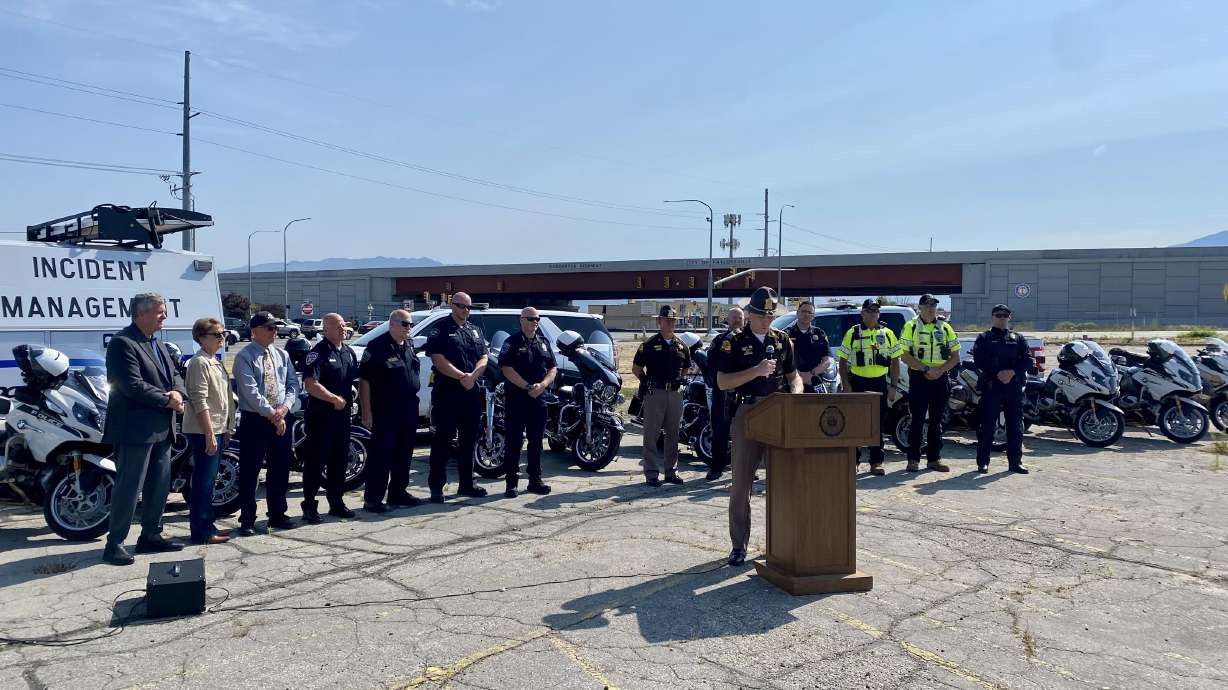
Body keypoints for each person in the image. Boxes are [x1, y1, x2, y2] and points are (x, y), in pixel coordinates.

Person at [100, 293, 188, 565]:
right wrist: (168, 399)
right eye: (160, 312)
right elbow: (131, 385)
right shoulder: (122, 343)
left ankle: (151, 535)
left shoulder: (158, 344)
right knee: (129, 487)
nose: (164, 317)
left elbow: (175, 376)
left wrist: (178, 393)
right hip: (135, 429)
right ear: (141, 313)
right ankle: (114, 544)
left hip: (162, 428)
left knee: (159, 486)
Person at [717, 287, 802, 566]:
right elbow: (722, 382)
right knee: (741, 484)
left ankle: (782, 543)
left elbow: (794, 375)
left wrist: (797, 395)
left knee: (784, 482)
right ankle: (739, 545)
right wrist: (756, 370)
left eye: (770, 315)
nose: (766, 321)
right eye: (761, 315)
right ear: (750, 314)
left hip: (778, 410)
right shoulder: (734, 341)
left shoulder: (782, 340)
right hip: (748, 412)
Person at [233, 311, 302, 535]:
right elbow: (250, 391)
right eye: (270, 328)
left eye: (276, 327)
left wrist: (283, 410)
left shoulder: (281, 354)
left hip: (281, 417)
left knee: (280, 468)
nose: (275, 332)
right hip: (256, 420)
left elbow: (292, 384)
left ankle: (277, 513)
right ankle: (247, 519)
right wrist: (272, 414)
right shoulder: (244, 356)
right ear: (255, 332)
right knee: (250, 470)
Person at [425, 292, 488, 501]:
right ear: (452, 305)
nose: (465, 310)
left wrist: (473, 376)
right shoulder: (441, 329)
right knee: (443, 440)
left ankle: (467, 484)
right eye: (461, 306)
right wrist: (462, 376)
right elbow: (437, 358)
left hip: (471, 393)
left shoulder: (474, 331)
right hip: (448, 393)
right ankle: (436, 488)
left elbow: (484, 357)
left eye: (468, 307)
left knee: (469, 440)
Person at [359, 309, 424, 512]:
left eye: (410, 324)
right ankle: (373, 499)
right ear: (392, 324)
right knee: (382, 456)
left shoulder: (409, 345)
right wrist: (366, 412)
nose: (409, 328)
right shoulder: (377, 347)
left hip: (408, 407)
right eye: (405, 324)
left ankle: (398, 493)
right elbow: (365, 381)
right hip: (386, 409)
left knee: (404, 454)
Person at [301, 312, 360, 522]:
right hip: (321, 418)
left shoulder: (348, 352)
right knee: (316, 462)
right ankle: (309, 505)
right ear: (325, 330)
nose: (343, 329)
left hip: (342, 418)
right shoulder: (317, 353)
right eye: (338, 326)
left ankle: (336, 502)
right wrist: (334, 399)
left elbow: (353, 380)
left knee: (339, 461)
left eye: (344, 325)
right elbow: (311, 384)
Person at [182, 317, 236, 545]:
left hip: (217, 427)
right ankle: (201, 532)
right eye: (217, 334)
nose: (222, 337)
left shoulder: (214, 360)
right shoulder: (199, 363)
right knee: (203, 482)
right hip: (204, 430)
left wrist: (227, 427)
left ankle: (208, 524)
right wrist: (210, 433)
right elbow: (199, 400)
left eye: (223, 333)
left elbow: (223, 400)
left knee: (209, 482)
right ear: (202, 338)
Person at [498, 306, 558, 498]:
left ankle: (535, 480)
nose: (535, 322)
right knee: (514, 442)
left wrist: (542, 386)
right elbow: (506, 369)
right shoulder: (512, 342)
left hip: (539, 400)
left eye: (537, 318)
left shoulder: (543, 342)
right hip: (517, 399)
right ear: (521, 319)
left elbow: (553, 368)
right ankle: (511, 483)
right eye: (531, 318)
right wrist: (526, 387)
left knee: (536, 443)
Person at [837, 299, 901, 476]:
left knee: (877, 424)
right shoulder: (853, 333)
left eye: (876, 311)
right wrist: (846, 384)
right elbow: (842, 361)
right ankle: (854, 461)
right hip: (858, 382)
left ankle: (876, 462)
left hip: (879, 382)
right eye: (869, 311)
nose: (873, 314)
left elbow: (895, 362)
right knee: (855, 423)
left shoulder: (887, 333)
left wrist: (893, 386)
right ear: (862, 313)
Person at [897, 294, 960, 473]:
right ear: (920, 308)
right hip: (919, 378)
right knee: (917, 419)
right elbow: (904, 355)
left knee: (936, 421)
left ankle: (934, 459)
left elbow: (955, 357)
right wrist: (926, 369)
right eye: (927, 305)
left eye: (934, 305)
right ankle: (913, 459)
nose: (931, 308)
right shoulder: (911, 326)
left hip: (940, 379)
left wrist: (939, 370)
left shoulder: (945, 327)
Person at [632, 305, 692, 487]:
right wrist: (646, 381)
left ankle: (671, 472)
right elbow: (636, 368)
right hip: (655, 393)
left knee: (673, 435)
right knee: (651, 434)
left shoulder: (682, 346)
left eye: (673, 321)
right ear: (659, 322)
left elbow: (686, 368)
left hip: (674, 394)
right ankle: (651, 474)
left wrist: (680, 380)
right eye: (667, 320)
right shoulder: (648, 345)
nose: (670, 324)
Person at [973, 304, 1031, 475]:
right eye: (998, 315)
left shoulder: (1018, 338)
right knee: (987, 426)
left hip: (1013, 386)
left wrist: (1012, 372)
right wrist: (998, 373)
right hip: (992, 386)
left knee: (1015, 426)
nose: (1002, 318)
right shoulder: (984, 338)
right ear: (992, 317)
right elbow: (979, 360)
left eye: (1005, 315)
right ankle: (983, 462)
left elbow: (1027, 360)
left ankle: (1015, 462)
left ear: (1009, 317)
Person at [704, 307, 743, 480]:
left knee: (743, 434)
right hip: (724, 393)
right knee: (720, 431)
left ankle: (743, 469)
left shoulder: (748, 340)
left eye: (739, 317)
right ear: (728, 319)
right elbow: (711, 363)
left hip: (743, 393)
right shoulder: (719, 340)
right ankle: (716, 468)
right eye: (734, 317)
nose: (736, 320)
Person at [785, 301, 832, 394]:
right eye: (803, 311)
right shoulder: (786, 334)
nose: (806, 314)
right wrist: (798, 375)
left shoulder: (820, 333)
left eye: (809, 312)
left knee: (818, 408)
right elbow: (781, 361)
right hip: (792, 383)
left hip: (814, 382)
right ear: (797, 313)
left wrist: (810, 374)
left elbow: (827, 361)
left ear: (813, 316)